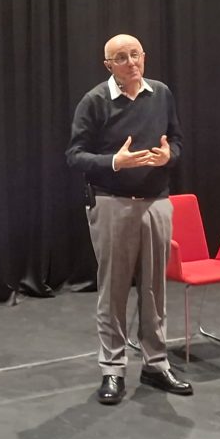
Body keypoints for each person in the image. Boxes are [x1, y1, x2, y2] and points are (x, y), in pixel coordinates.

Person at [66, 34, 193, 405]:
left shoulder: (161, 93)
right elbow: (74, 155)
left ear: (144, 56)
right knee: (114, 290)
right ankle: (113, 369)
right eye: (121, 57)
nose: (131, 62)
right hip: (111, 203)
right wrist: (113, 162)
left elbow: (178, 141)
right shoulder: (95, 101)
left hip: (156, 203)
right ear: (109, 65)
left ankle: (156, 364)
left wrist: (168, 156)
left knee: (155, 289)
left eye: (135, 54)